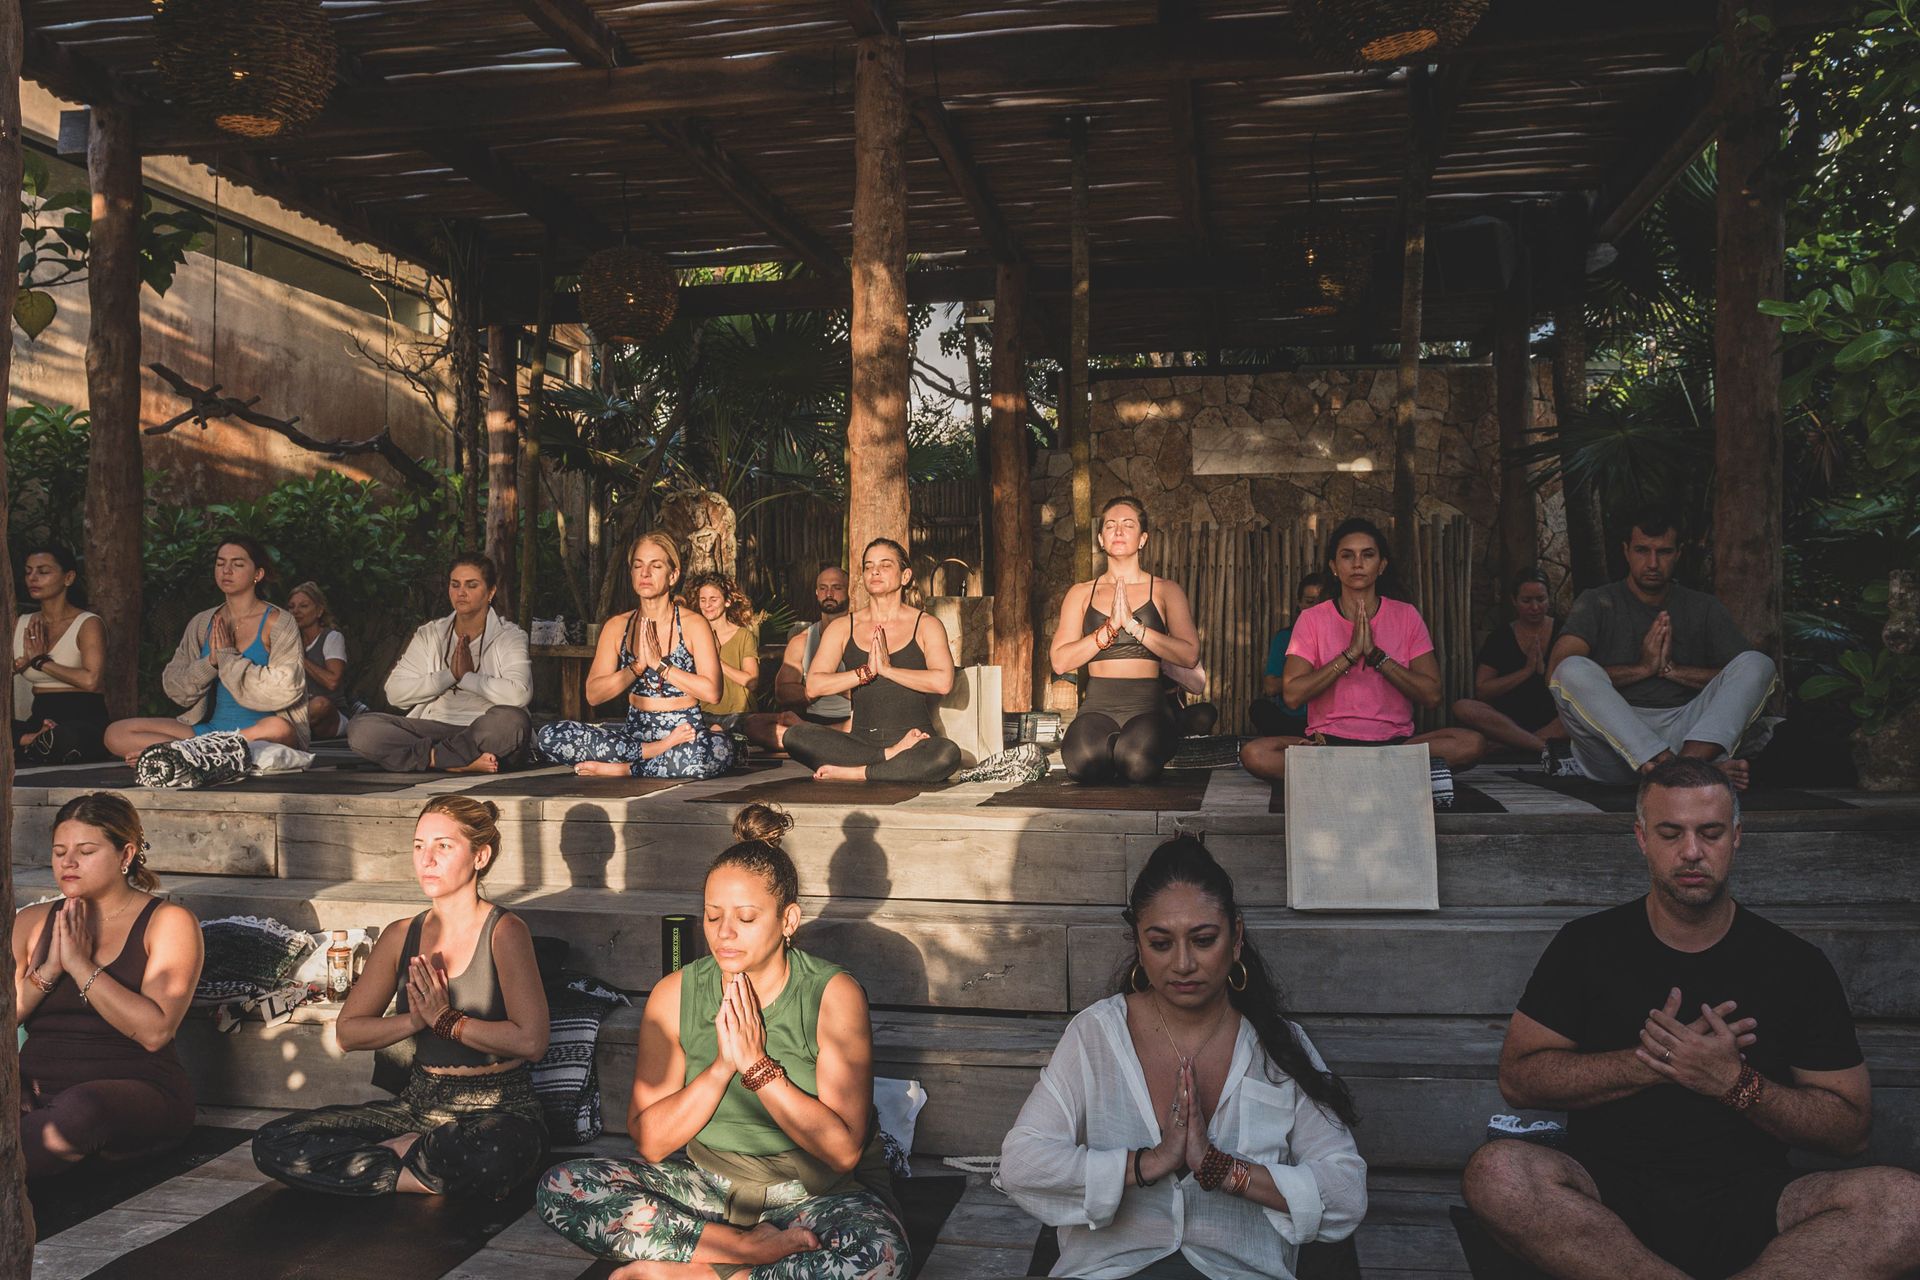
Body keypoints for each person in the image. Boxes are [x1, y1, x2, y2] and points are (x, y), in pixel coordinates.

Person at [1461, 757, 1920, 1279]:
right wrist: (1650, 1063)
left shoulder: (1794, 965)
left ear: (1737, 837)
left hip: (1752, 1198)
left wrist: (1732, 1082)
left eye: (1710, 832)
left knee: (1907, 1205)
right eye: (1670, 832)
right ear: (1641, 838)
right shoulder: (1586, 946)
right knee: (1499, 1172)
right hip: (1605, 1203)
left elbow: (1849, 1130)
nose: (1692, 852)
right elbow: (1519, 1079)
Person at [537, 805, 909, 1279]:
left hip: (816, 1195)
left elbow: (839, 1152)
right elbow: (651, 1143)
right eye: (713, 917)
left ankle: (696, 1272)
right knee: (564, 1186)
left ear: (788, 920)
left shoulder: (833, 994)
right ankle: (744, 1252)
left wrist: (757, 1065)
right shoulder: (675, 994)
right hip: (708, 1190)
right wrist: (721, 1068)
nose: (724, 933)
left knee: (879, 1261)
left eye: (746, 918)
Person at [999, 836, 1366, 1278]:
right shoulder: (1097, 1034)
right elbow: (1021, 1165)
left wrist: (1223, 1169)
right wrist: (1146, 1164)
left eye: (1203, 939)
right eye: (1161, 943)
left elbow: (1346, 1192)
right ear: (1138, 945)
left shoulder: (1276, 1046)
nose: (1184, 963)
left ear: (1236, 938)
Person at [252, 796, 551, 1198]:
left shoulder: (504, 931)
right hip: (419, 1106)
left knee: (496, 1156)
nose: (427, 859)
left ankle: (396, 1163)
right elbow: (349, 1033)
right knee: (276, 1140)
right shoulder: (400, 934)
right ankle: (414, 1165)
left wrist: (447, 1020)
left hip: (498, 1109)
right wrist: (415, 1020)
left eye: (443, 846)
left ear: (480, 856)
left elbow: (531, 1042)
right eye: (418, 846)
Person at [14, 793, 203, 1178]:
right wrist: (50, 969)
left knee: (80, 1109)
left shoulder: (168, 922)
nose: (68, 862)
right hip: (35, 1090)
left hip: (134, 1092)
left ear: (125, 854)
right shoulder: (31, 922)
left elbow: (154, 1032)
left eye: (85, 851)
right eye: (59, 851)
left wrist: (81, 967)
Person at [1239, 517, 1485, 782]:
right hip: (1328, 746)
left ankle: (1347, 776)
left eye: (1367, 555)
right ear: (1334, 567)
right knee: (1256, 753)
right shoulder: (1312, 619)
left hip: (1394, 745)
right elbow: (1292, 695)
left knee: (1470, 743)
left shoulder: (1406, 616)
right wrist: (1349, 656)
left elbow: (1432, 695)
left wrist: (1377, 657)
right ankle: (1377, 775)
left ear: (1382, 565)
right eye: (1347, 556)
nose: (1357, 563)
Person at [1547, 510, 1777, 790]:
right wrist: (1643, 668)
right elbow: (1555, 672)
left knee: (1758, 664)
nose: (1653, 563)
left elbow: (1736, 678)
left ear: (1678, 554)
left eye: (1664, 552)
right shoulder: (1597, 602)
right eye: (1642, 550)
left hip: (1688, 733)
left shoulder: (1704, 607)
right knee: (1570, 669)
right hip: (1613, 743)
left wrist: (1673, 670)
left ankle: (1680, 767)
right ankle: (1687, 772)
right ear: (1626, 551)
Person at [533, 531, 738, 779]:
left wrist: (661, 666)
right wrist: (638, 666)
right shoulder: (617, 626)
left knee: (713, 753)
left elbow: (712, 692)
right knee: (550, 736)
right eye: (638, 566)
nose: (645, 573)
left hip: (684, 734)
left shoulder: (694, 624)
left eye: (656, 566)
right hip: (635, 734)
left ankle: (626, 769)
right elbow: (594, 694)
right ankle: (654, 753)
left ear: (672, 575)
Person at [103, 534, 308, 765]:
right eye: (220, 563)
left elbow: (287, 688)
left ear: (258, 574)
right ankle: (194, 752)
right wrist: (210, 664)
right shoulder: (203, 622)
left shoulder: (279, 621)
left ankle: (183, 753)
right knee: (116, 733)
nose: (226, 570)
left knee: (279, 728)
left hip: (258, 733)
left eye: (237, 564)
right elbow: (175, 686)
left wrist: (228, 659)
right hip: (210, 731)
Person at [779, 538, 960, 783]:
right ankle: (888, 758)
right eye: (868, 566)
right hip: (861, 742)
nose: (874, 571)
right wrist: (866, 672)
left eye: (885, 565)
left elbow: (943, 682)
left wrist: (887, 669)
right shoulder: (844, 627)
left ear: (905, 576)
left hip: (916, 740)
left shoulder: (926, 624)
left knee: (946, 754)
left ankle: (858, 772)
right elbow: (814, 686)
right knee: (795, 736)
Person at [1051, 497, 1203, 785]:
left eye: (1128, 524)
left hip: (1147, 706)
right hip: (1098, 705)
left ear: (1142, 539)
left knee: (1135, 762)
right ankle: (1112, 751)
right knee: (1083, 764)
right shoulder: (1081, 593)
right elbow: (1060, 661)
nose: (1118, 531)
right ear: (1101, 539)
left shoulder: (1164, 590)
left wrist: (1134, 627)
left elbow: (1189, 655)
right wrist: (1107, 630)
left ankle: (1160, 733)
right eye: (1110, 525)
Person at [346, 553, 533, 774]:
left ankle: (429, 758)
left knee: (512, 722)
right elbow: (395, 694)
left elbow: (519, 695)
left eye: (471, 585)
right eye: (455, 585)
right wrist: (450, 676)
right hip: (431, 728)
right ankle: (451, 761)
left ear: (490, 592)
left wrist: (467, 678)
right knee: (362, 728)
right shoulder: (430, 634)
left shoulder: (509, 635)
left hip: (481, 730)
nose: (461, 592)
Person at [1450, 567, 1569, 755]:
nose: (1535, 607)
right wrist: (1526, 671)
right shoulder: (1501, 638)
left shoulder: (1565, 633)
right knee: (1463, 707)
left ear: (1549, 598)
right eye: (1527, 601)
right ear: (1514, 601)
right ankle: (1537, 745)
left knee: (1581, 716)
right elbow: (1482, 690)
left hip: (1553, 720)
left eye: (1540, 599)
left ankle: (1515, 745)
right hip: (1507, 722)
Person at [11, 543, 109, 766]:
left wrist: (40, 662)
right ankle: (33, 741)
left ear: (68, 578)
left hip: (82, 718)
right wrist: (20, 664)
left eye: (43, 572)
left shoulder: (88, 623)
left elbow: (91, 681)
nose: (33, 578)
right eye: (28, 572)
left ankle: (28, 746)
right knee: (40, 738)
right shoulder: (22, 622)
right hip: (39, 717)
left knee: (65, 738)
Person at [744, 565, 853, 753]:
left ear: (849, 591)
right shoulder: (802, 640)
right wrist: (816, 689)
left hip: (851, 720)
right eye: (823, 588)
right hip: (812, 720)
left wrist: (822, 683)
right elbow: (782, 692)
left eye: (836, 587)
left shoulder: (863, 635)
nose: (829, 593)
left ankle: (809, 739)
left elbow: (872, 693)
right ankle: (814, 737)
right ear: (816, 593)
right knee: (752, 725)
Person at [1248, 573, 1329, 739]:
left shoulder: (1340, 636)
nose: (1316, 608)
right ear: (1299, 604)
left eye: (1322, 602)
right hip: (1293, 719)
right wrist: (1317, 676)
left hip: (1328, 721)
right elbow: (1270, 687)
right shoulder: (1285, 637)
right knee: (1259, 708)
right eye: (1309, 602)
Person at [691, 571, 761, 728]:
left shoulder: (743, 636)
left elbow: (752, 682)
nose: (707, 605)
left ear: (727, 601)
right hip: (703, 715)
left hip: (739, 715)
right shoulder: (694, 636)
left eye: (713, 599)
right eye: (703, 600)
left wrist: (716, 661)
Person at [288, 580, 350, 740]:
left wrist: (299, 658)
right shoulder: (288, 642)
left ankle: (284, 733)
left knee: (320, 704)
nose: (296, 611)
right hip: (299, 712)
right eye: (292, 606)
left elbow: (332, 682)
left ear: (319, 611)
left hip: (330, 715)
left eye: (303, 606)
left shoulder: (332, 637)